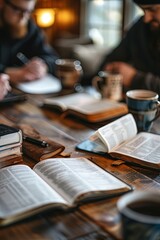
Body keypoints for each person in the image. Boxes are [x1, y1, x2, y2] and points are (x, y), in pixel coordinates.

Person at [93, 0, 160, 95]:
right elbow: (112, 59)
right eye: (143, 10)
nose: (146, 18)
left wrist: (134, 78)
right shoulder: (140, 27)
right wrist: (110, 69)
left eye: (152, 9)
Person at [0, 0, 59, 85]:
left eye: (28, 11)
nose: (23, 16)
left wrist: (43, 66)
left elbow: (53, 58)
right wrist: (8, 72)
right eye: (17, 9)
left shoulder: (30, 28)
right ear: (2, 3)